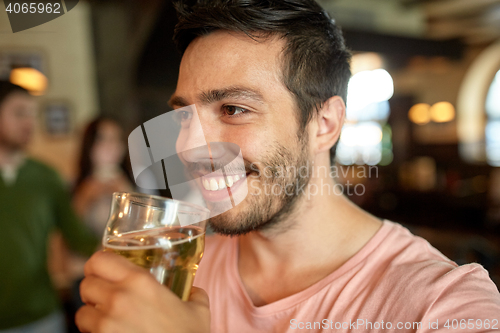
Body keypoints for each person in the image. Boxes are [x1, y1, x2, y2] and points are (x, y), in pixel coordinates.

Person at [76, 1, 500, 332]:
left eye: (234, 108)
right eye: (183, 114)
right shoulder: (186, 261)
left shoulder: (440, 305)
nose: (186, 147)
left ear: (325, 124)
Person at [0, 81, 99, 333]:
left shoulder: (46, 177)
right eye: (19, 113)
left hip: (41, 316)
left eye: (33, 114)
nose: (29, 122)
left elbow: (77, 238)